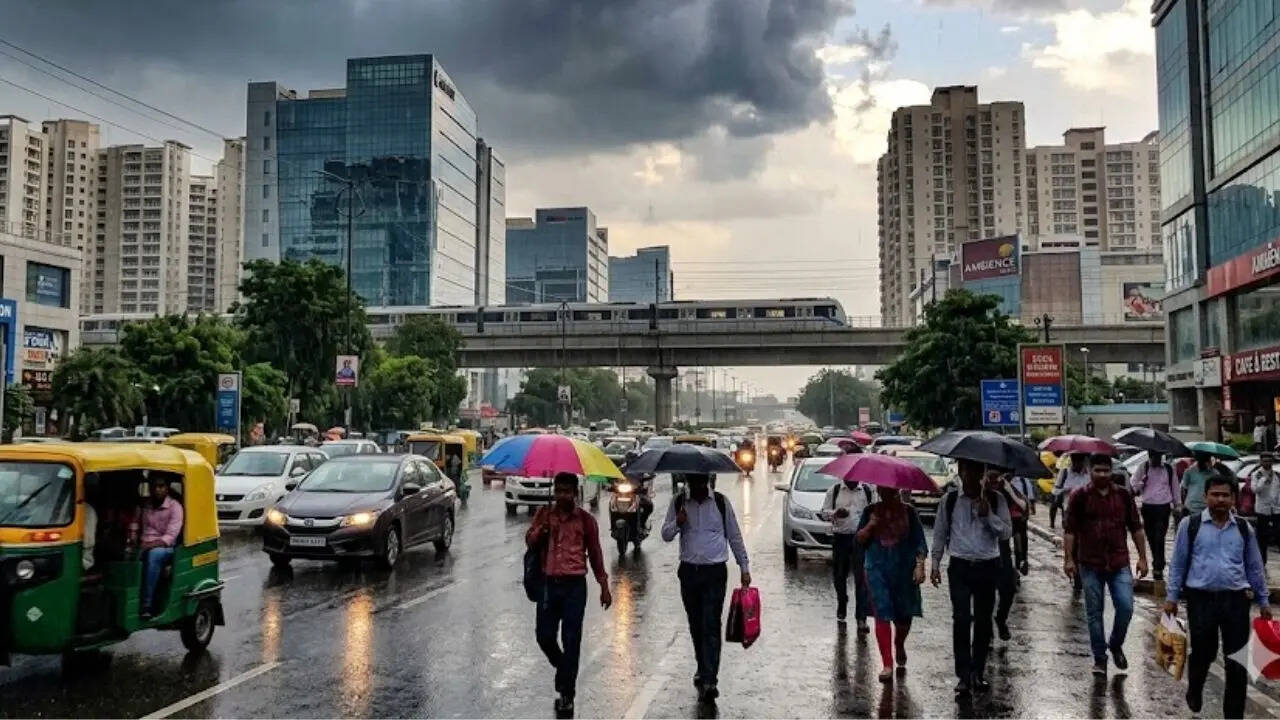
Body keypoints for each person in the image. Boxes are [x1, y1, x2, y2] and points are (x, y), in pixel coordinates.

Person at [1165, 473, 1272, 718]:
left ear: (1234, 498)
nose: (1220, 500)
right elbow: (1178, 564)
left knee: (1237, 662)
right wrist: (1171, 597)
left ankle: (1233, 715)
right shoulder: (1190, 525)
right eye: (1215, 495)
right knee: (1203, 652)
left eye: (1225, 495)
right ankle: (1195, 687)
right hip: (1201, 599)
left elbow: (1254, 566)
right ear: (1205, 497)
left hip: (1236, 600)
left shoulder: (1244, 528)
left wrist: (1264, 600)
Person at [526, 473, 612, 715]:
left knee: (571, 640)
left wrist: (604, 586)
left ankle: (567, 693)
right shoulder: (544, 514)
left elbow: (595, 554)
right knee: (544, 636)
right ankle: (564, 669)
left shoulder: (585, 520)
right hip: (548, 585)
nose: (562, 495)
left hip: (574, 587)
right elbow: (529, 541)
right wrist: (541, 531)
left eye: (566, 491)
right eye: (558, 491)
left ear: (575, 493)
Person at [661, 472, 751, 703]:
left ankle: (711, 679)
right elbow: (666, 535)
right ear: (688, 482)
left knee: (711, 623)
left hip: (714, 573)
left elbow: (734, 535)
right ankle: (702, 668)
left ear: (708, 481)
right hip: (689, 572)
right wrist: (677, 522)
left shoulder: (720, 502)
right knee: (696, 624)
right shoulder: (679, 502)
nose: (698, 487)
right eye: (693, 483)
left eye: (701, 482)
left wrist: (744, 566)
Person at [930, 458, 1011, 696]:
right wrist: (935, 564)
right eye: (966, 469)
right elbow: (940, 533)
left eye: (976, 470)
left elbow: (1006, 532)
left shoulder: (996, 499)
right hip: (960, 566)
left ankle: (978, 672)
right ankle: (963, 675)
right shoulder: (950, 500)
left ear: (982, 472)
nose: (971, 475)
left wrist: (988, 516)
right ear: (961, 471)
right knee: (961, 618)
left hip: (988, 565)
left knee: (983, 621)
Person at [1063, 454, 1149, 676]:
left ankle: (1116, 644)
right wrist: (1068, 559)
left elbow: (1136, 528)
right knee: (1094, 612)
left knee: (1126, 607)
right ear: (1090, 472)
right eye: (1097, 470)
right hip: (1090, 563)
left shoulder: (1123, 495)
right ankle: (1100, 658)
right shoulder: (1079, 496)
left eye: (1106, 471)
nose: (1102, 475)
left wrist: (1142, 557)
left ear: (1112, 472)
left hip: (1119, 562)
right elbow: (1070, 530)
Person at [856, 485, 927, 682]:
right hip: (876, 569)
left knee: (904, 616)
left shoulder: (909, 512)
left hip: (903, 570)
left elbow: (920, 541)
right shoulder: (870, 511)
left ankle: (899, 643)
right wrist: (871, 525)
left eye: (892, 492)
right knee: (882, 612)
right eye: (884, 492)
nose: (888, 495)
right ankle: (887, 664)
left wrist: (920, 565)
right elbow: (859, 540)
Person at [820, 476, 874, 629]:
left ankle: (861, 617)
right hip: (840, 538)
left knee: (861, 579)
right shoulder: (835, 490)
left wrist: (868, 529)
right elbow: (823, 512)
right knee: (839, 576)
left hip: (861, 540)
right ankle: (842, 602)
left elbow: (874, 513)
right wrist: (835, 513)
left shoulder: (867, 491)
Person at [138, 474, 184, 618]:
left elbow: (170, 537)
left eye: (161, 486)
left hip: (167, 548)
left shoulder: (175, 507)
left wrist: (148, 546)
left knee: (154, 555)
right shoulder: (147, 506)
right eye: (154, 486)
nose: (157, 489)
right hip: (147, 544)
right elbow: (144, 530)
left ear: (167, 488)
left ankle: (147, 605)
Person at [990, 469, 1028, 641]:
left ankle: (1001, 618)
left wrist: (1009, 490)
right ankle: (985, 628)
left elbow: (1024, 507)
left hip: (1002, 547)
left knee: (1009, 588)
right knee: (985, 591)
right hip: (981, 549)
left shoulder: (1006, 489)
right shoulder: (976, 490)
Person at [1132, 450, 1181, 581]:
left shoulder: (1168, 469)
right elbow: (1134, 486)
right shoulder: (1143, 467)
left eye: (1159, 457)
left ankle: (1158, 566)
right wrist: (1142, 482)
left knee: (1160, 536)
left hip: (1163, 507)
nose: (1157, 460)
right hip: (1148, 507)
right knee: (1151, 537)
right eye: (1154, 457)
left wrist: (1178, 504)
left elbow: (1175, 487)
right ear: (1150, 456)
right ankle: (1158, 560)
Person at [1252, 453, 1279, 564]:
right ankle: (1262, 561)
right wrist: (1264, 480)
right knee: (1262, 537)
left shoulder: (1277, 475)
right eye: (1265, 461)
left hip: (1276, 509)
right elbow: (1255, 490)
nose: (1267, 463)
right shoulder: (1256, 474)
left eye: (1269, 461)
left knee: (1277, 533)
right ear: (1261, 462)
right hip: (1262, 510)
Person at [1008, 473, 1037, 574]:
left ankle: (1022, 561)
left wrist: (1030, 509)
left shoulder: (1023, 481)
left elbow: (1029, 497)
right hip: (1005, 516)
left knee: (1022, 538)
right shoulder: (1002, 481)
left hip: (1019, 516)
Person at [1051, 453, 1090, 529]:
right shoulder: (1065, 472)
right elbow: (1057, 488)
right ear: (1072, 460)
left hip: (1085, 504)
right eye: (1075, 461)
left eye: (1080, 461)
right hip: (1068, 503)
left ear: (1084, 461)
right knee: (1068, 526)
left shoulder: (1089, 473)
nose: (1077, 464)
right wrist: (1067, 490)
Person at [1182, 452, 1216, 518]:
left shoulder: (1215, 474)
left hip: (1208, 509)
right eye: (1202, 460)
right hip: (1191, 508)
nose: (1204, 463)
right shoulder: (1189, 472)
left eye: (1206, 460)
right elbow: (1184, 489)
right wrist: (1184, 505)